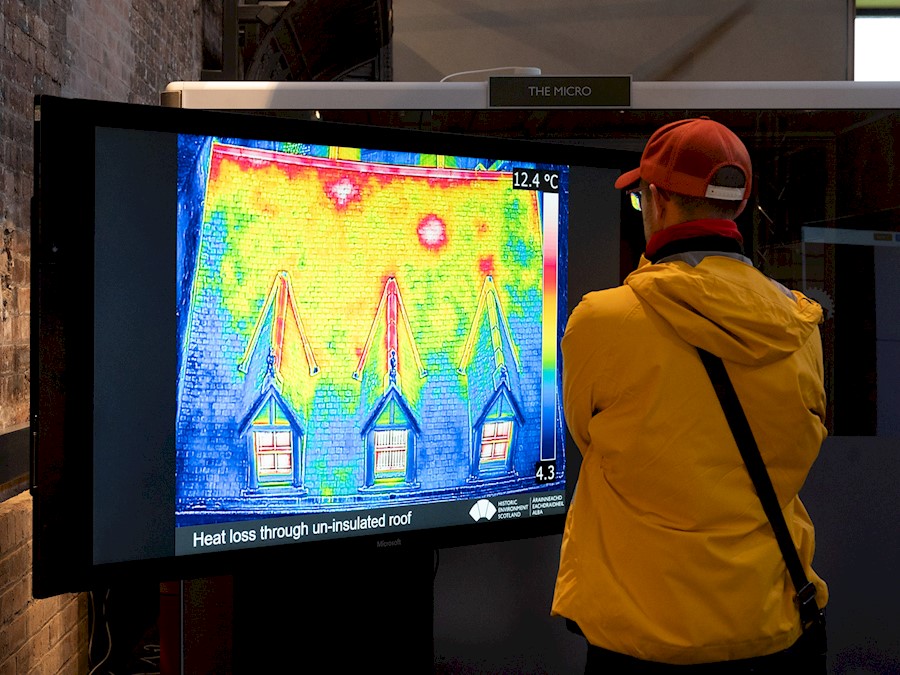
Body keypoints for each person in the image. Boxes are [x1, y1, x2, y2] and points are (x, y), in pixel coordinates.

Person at [551, 117, 828, 672]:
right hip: (772, 628)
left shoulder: (602, 321)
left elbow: (588, 438)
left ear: (655, 200)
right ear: (738, 206)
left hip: (643, 638)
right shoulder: (800, 325)